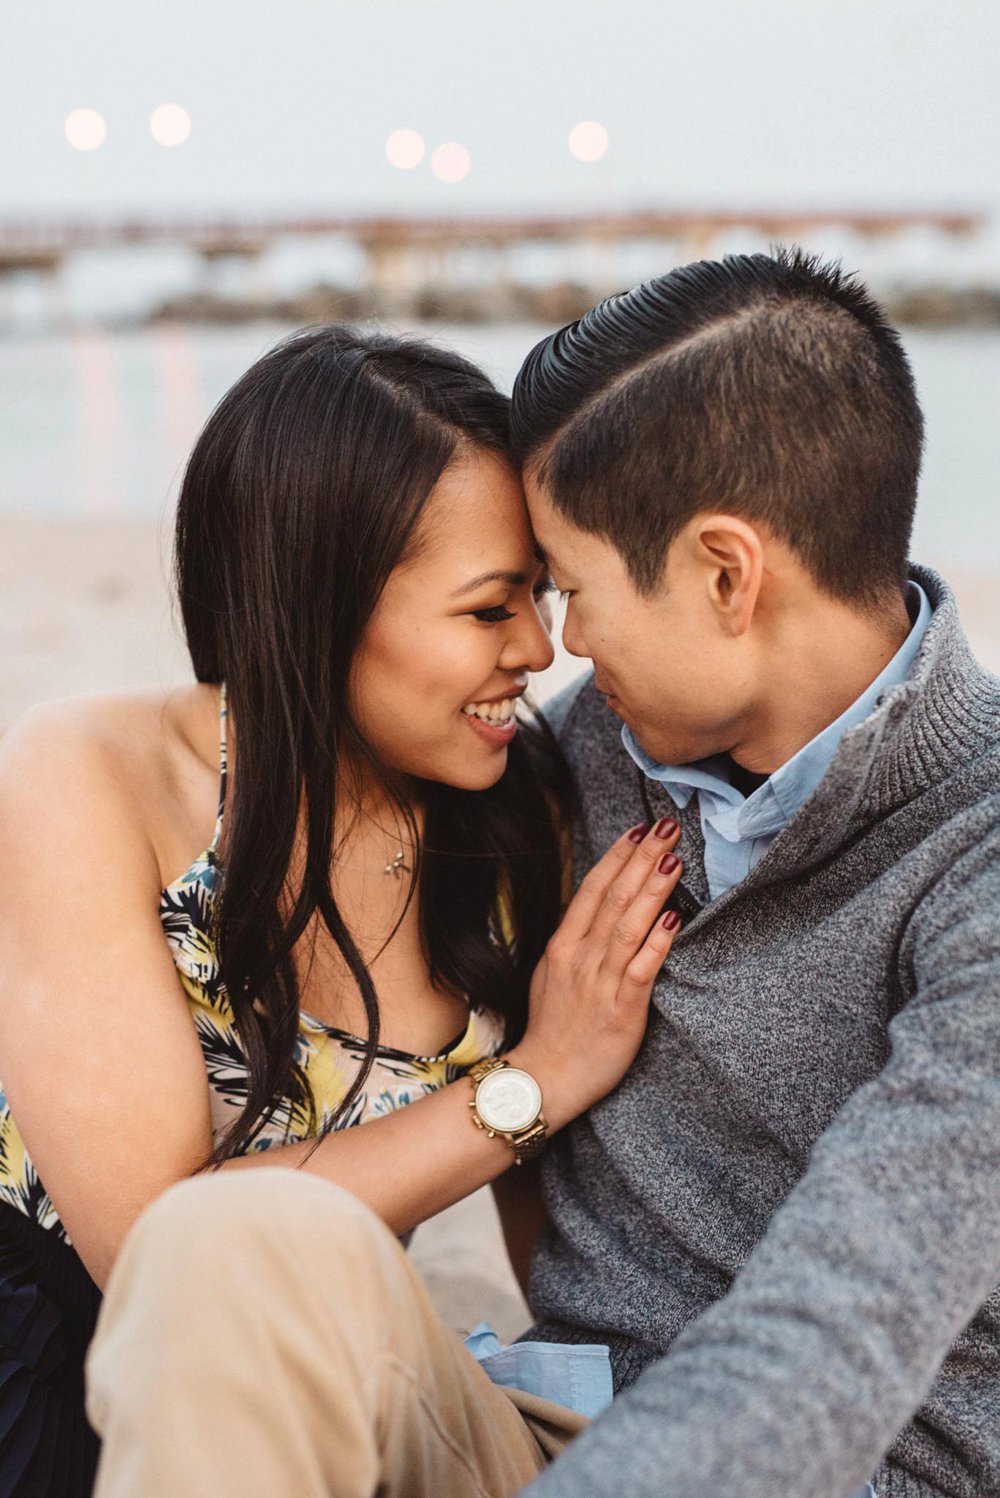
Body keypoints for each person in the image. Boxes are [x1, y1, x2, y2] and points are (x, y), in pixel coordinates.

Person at [0, 328, 685, 1495]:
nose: (537, 646)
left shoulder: (524, 819)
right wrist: (533, 1081)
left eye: (539, 591)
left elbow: (546, 1230)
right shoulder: (88, 776)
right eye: (486, 610)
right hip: (44, 1349)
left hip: (301, 1375)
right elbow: (162, 1249)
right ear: (321, 607)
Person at [508, 248, 1000, 1498]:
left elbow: (846, 1316)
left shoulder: (980, 843)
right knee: (245, 1254)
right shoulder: (576, 755)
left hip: (855, 1467)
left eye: (572, 586)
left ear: (727, 573)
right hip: (533, 1417)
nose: (558, 640)